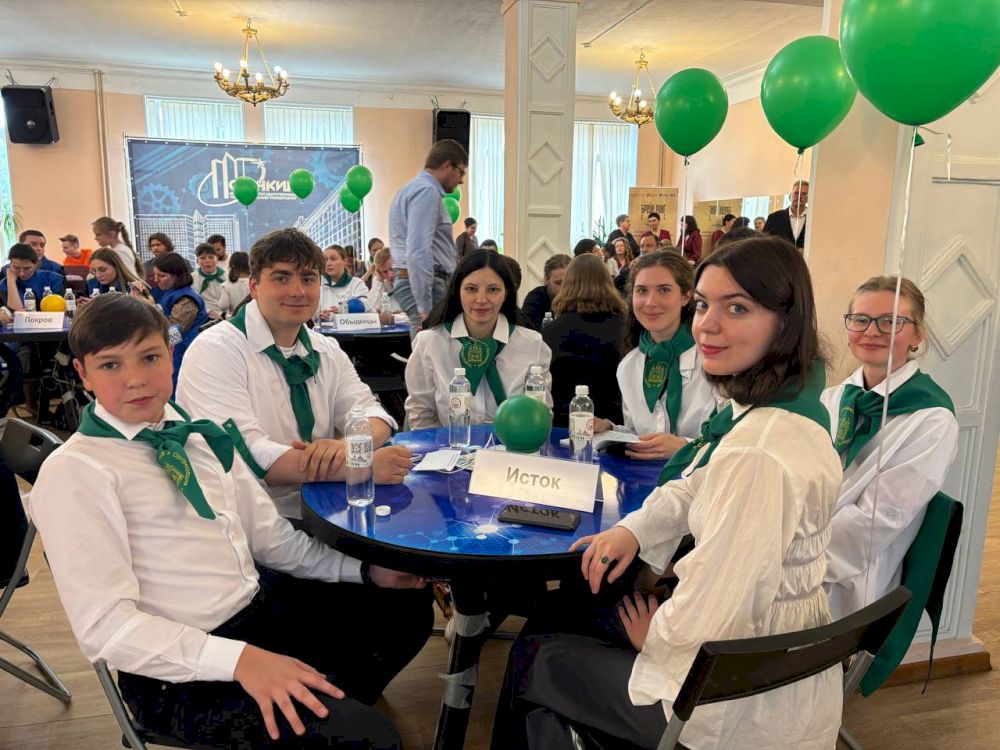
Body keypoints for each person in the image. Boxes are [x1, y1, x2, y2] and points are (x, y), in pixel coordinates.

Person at [28, 293, 430, 750]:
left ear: (171, 354)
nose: (136, 379)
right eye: (110, 365)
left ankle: (333, 701)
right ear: (83, 374)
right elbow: (106, 628)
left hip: (257, 612)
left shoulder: (197, 433)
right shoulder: (76, 472)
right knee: (369, 740)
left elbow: (271, 540)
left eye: (150, 357)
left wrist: (364, 571)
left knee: (403, 606)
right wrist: (240, 660)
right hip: (177, 675)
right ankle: (331, 716)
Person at [493, 235, 843, 750]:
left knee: (534, 655)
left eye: (737, 308)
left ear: (785, 321)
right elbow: (696, 481)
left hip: (728, 695)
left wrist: (656, 640)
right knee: (563, 614)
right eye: (703, 305)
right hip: (769, 656)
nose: (707, 325)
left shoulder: (758, 453)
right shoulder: (784, 409)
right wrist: (634, 530)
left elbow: (717, 607)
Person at [176, 228, 413, 520]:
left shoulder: (326, 349)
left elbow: (372, 414)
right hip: (251, 522)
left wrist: (345, 447)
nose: (298, 291)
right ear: (254, 287)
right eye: (281, 278)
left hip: (328, 510)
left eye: (308, 278)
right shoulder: (215, 350)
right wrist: (360, 465)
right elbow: (245, 453)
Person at [823, 276, 958, 620]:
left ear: (917, 335)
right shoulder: (833, 398)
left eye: (891, 321)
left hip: (850, 578)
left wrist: (794, 562)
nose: (871, 331)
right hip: (798, 548)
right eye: (861, 319)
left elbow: (877, 521)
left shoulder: (932, 418)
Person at [405, 249, 551, 428]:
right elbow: (421, 416)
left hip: (514, 444)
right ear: (458, 291)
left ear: (506, 293)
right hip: (450, 444)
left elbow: (541, 415)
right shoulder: (429, 344)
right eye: (471, 289)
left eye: (493, 290)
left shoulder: (532, 345)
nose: (481, 299)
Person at [597, 250, 716, 460]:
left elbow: (735, 443)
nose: (651, 302)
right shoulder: (629, 366)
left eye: (664, 290)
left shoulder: (713, 360)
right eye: (642, 291)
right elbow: (640, 434)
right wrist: (610, 430)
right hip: (646, 478)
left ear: (686, 296)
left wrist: (685, 447)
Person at [389, 139, 468, 334]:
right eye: (461, 172)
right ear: (447, 166)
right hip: (428, 284)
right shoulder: (427, 192)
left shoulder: (410, 189)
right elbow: (418, 250)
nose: (461, 180)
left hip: (416, 281)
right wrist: (424, 307)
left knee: (427, 345)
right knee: (435, 346)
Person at [543, 254, 626, 427]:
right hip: (618, 425)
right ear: (608, 282)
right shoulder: (628, 329)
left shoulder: (550, 332)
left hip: (562, 426)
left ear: (568, 284)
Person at [141, 252, 208, 391]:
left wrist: (151, 308)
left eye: (162, 276)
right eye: (155, 275)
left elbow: (174, 334)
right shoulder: (166, 292)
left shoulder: (187, 299)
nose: (156, 280)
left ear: (177, 276)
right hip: (170, 353)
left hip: (183, 356)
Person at [1, 242, 65, 309]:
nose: (21, 273)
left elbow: (59, 309)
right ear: (10, 264)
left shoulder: (53, 279)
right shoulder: (4, 284)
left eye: (27, 268)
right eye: (16, 268)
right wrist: (11, 282)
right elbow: (15, 311)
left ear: (36, 264)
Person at [521, 254, 570, 330]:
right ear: (547, 279)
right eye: (559, 283)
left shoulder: (579, 300)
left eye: (570, 283)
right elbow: (527, 330)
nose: (564, 289)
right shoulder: (535, 298)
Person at [320, 245, 369, 317]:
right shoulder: (318, 284)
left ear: (344, 261)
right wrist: (320, 316)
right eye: (326, 260)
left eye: (333, 259)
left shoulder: (356, 283)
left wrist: (347, 309)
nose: (328, 263)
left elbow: (365, 305)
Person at [764, 180, 809, 249]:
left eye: (803, 194)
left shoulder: (814, 220)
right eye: (796, 193)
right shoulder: (774, 218)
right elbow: (765, 243)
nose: (799, 196)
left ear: (808, 198)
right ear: (790, 196)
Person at [366, 247, 402, 323]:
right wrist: (379, 281)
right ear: (379, 272)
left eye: (392, 269)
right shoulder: (380, 282)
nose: (390, 275)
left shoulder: (409, 280)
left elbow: (418, 316)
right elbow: (370, 311)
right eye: (385, 272)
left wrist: (394, 318)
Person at [195, 242, 226, 318]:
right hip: (204, 316)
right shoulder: (192, 279)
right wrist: (209, 312)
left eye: (211, 257)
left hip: (227, 315)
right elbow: (192, 304)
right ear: (197, 261)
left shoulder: (227, 276)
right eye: (203, 258)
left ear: (217, 259)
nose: (207, 261)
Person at [218, 251, 251, 318]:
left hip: (234, 318)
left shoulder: (227, 284)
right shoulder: (254, 283)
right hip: (251, 317)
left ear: (231, 266)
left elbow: (223, 306)